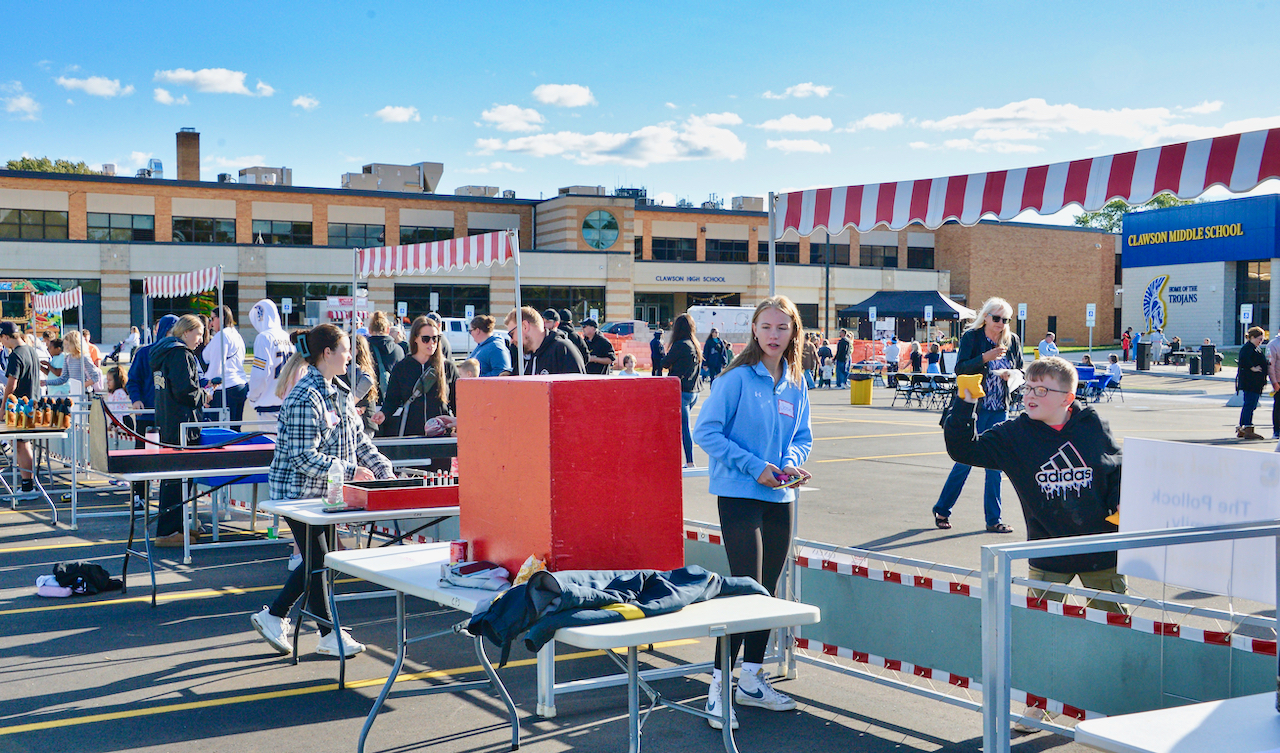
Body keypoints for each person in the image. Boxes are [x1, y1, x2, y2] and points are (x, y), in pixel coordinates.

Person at [692, 295, 812, 729]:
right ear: (754, 331)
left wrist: (790, 462)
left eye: (782, 327)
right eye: (766, 327)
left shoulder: (797, 381)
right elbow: (705, 432)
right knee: (745, 591)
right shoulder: (736, 378)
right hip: (740, 494)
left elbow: (802, 436)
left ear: (793, 332)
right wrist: (754, 466)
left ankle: (751, 680)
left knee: (766, 593)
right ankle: (717, 687)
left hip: (780, 497)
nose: (774, 335)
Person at [250, 324, 396, 659]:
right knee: (319, 560)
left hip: (324, 495)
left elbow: (359, 442)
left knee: (319, 561)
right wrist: (351, 471)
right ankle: (326, 633)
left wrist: (384, 471)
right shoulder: (306, 396)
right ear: (327, 353)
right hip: (297, 494)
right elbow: (303, 457)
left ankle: (276, 616)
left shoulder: (339, 391)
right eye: (345, 350)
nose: (351, 356)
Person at [945, 356, 1124, 608]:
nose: (1030, 395)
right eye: (1028, 387)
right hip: (1047, 551)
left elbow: (1116, 468)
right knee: (1038, 622)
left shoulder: (1091, 426)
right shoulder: (1014, 435)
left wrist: (1119, 499)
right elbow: (963, 450)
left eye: (1041, 390)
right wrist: (965, 403)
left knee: (1114, 621)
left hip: (1100, 550)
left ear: (1067, 398)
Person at [932, 297, 1023, 534]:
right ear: (986, 317)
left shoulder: (1012, 340)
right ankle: (942, 509)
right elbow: (960, 368)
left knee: (996, 465)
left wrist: (1012, 374)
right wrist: (985, 357)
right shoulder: (972, 337)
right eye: (997, 318)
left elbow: (1021, 369)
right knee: (964, 461)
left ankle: (994, 519)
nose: (1001, 324)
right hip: (974, 408)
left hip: (999, 407)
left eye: (1006, 320)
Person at [151, 315, 208, 547]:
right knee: (179, 480)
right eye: (199, 333)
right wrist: (205, 395)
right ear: (186, 332)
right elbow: (186, 391)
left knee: (174, 479)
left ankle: (174, 526)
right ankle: (168, 531)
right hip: (182, 425)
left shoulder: (163, 351)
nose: (201, 339)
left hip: (168, 422)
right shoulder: (180, 354)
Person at [374, 316, 458, 437]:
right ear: (415, 339)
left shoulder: (448, 367)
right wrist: (383, 413)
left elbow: (458, 403)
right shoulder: (402, 368)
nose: (431, 343)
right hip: (411, 434)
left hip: (442, 434)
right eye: (426, 339)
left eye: (435, 338)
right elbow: (392, 401)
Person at [1, 322, 40, 492]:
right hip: (32, 402)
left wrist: (3, 407)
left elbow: (11, 385)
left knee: (22, 445)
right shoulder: (31, 350)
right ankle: (27, 486)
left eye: (2, 339)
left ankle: (27, 487)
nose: (2, 343)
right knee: (23, 444)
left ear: (6, 337)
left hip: (21, 407)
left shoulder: (16, 354)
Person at [663, 313, 703, 469]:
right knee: (683, 427)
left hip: (681, 391)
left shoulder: (680, 345)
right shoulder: (695, 344)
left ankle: (689, 461)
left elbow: (665, 363)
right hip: (694, 391)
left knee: (683, 428)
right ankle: (688, 461)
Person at [202, 305, 249, 425]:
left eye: (213, 319)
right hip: (240, 385)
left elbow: (217, 365)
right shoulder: (236, 335)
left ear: (221, 317)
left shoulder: (221, 336)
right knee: (235, 428)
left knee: (221, 430)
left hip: (225, 388)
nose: (211, 323)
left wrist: (208, 389)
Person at [247, 299, 294, 419]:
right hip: (288, 402)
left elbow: (260, 374)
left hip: (268, 404)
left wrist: (253, 397)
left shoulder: (263, 338)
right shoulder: (287, 336)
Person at [504, 307, 585, 376]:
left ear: (525, 326)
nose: (511, 340)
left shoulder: (563, 350)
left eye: (511, 334)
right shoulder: (525, 359)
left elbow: (579, 387)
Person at [1236, 326, 1269, 440]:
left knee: (1249, 404)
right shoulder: (1248, 348)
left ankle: (1242, 427)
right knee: (1250, 404)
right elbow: (1243, 359)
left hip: (1255, 382)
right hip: (1250, 382)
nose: (1261, 341)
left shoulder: (1255, 348)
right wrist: (1252, 368)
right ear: (1252, 337)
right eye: (1259, 339)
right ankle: (1248, 428)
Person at [44, 330, 101, 395]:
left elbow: (96, 377)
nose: (66, 347)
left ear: (75, 344)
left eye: (68, 344)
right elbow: (63, 378)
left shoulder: (84, 358)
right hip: (74, 393)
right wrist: (46, 382)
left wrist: (81, 386)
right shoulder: (67, 358)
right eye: (65, 345)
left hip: (85, 393)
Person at [365, 311, 405, 396]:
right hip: (392, 398)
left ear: (369, 330)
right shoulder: (398, 350)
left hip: (369, 397)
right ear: (388, 330)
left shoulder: (364, 349)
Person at [1268, 331, 1280, 440]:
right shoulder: (1273, 344)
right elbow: (1270, 365)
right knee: (1278, 407)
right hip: (1279, 381)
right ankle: (1277, 431)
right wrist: (1274, 382)